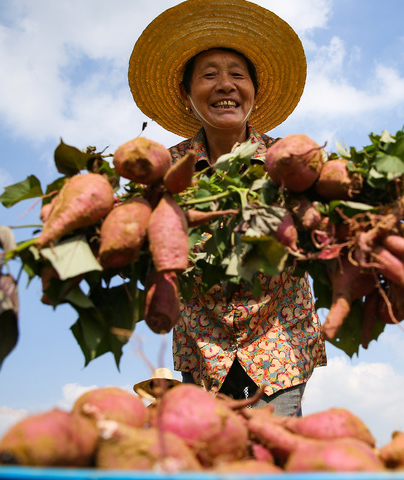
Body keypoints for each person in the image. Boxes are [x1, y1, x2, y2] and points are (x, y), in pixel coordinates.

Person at [128, 0, 327, 416]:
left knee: (272, 459)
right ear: (187, 95)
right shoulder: (166, 171)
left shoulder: (288, 162)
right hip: (203, 349)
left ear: (253, 91)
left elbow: (327, 228)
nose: (225, 85)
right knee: (212, 458)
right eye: (209, 76)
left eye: (237, 75)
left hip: (281, 343)